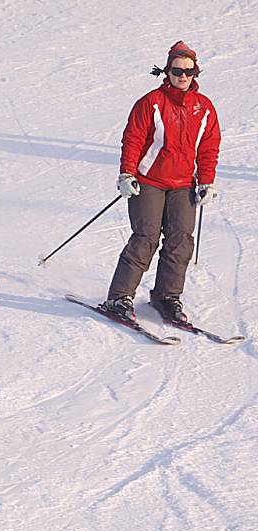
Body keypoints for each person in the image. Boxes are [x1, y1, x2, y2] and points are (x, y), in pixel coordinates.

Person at [104, 40, 220, 323]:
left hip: (183, 183)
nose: (182, 76)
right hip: (149, 180)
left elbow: (208, 147)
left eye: (188, 71)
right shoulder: (151, 103)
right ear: (166, 71)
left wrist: (206, 181)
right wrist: (126, 174)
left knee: (180, 239)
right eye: (177, 70)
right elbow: (132, 139)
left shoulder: (203, 107)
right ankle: (119, 297)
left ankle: (167, 296)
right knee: (146, 237)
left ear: (195, 73)